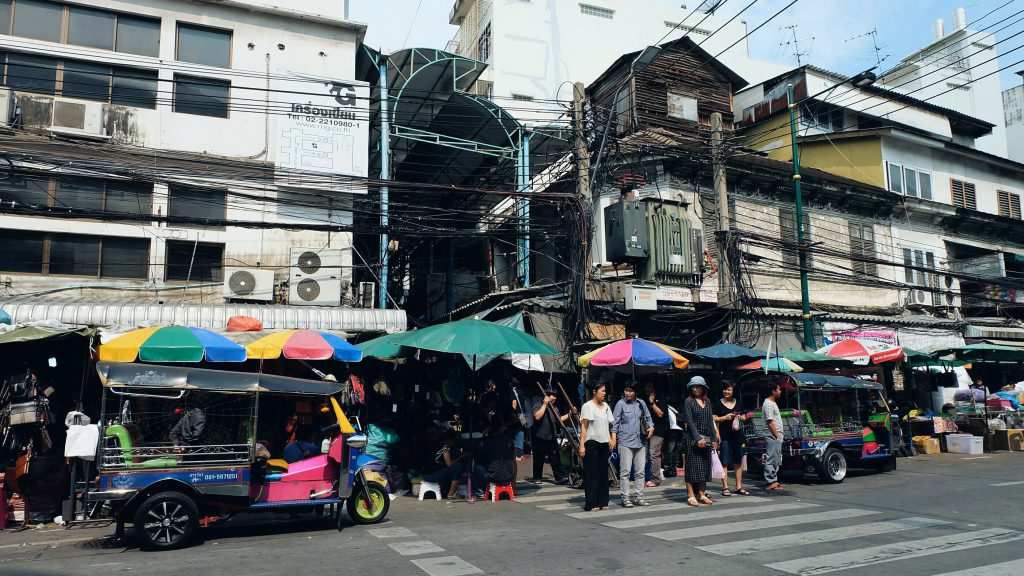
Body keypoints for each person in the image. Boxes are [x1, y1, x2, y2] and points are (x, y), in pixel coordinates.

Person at [613, 381, 654, 507]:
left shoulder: (641, 403)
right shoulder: (620, 404)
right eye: (626, 390)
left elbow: (648, 418)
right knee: (625, 471)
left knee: (640, 471)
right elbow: (614, 423)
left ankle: (639, 497)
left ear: (636, 392)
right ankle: (625, 498)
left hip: (640, 441)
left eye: (630, 391)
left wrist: (651, 428)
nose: (628, 393)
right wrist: (614, 438)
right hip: (625, 442)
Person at [578, 382, 616, 511]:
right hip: (591, 442)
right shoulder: (587, 406)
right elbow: (584, 426)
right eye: (602, 391)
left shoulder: (606, 406)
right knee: (591, 474)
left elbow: (612, 424)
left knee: (603, 473)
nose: (604, 393)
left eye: (605, 391)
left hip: (604, 443)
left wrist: (613, 438)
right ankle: (591, 502)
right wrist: (581, 445)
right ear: (595, 391)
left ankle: (603, 501)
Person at [683, 376, 719, 506]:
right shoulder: (688, 401)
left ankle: (701, 493)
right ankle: (691, 495)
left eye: (697, 386)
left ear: (703, 388)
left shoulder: (707, 401)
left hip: (707, 438)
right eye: (693, 386)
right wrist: (698, 438)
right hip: (692, 438)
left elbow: (710, 420)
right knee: (692, 468)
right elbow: (689, 421)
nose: (695, 388)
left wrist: (714, 439)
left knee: (705, 467)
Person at [712, 383, 749, 496]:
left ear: (734, 391)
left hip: (737, 435)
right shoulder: (718, 403)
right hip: (724, 436)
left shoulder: (738, 402)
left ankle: (738, 487)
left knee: (738, 461)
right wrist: (724, 418)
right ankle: (725, 487)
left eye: (729, 390)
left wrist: (741, 417)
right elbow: (713, 418)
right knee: (725, 461)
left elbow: (744, 416)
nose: (726, 392)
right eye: (725, 389)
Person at [530, 386, 569, 484]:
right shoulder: (538, 405)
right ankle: (537, 477)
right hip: (539, 436)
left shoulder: (555, 408)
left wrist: (570, 414)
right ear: (547, 396)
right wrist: (544, 404)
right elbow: (537, 416)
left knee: (555, 458)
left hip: (551, 436)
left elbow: (558, 419)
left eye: (555, 396)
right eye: (552, 396)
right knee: (539, 458)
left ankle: (559, 477)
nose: (554, 398)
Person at [473, 413, 517, 496]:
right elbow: (513, 460)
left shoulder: (487, 442)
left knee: (476, 467)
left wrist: (484, 433)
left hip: (494, 477)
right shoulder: (510, 441)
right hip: (509, 476)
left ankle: (480, 491)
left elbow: (480, 458)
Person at [431, 429, 468, 500]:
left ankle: (448, 491)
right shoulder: (445, 447)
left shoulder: (438, 444)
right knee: (458, 467)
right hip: (432, 474)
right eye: (453, 440)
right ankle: (451, 493)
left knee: (453, 469)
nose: (454, 443)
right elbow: (449, 464)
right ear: (449, 439)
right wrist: (461, 457)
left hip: (429, 472)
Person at [762, 381, 785, 491]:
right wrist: (777, 435)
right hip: (772, 435)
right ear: (773, 391)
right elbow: (770, 422)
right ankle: (770, 481)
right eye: (779, 389)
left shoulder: (772, 403)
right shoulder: (768, 404)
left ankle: (774, 480)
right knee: (772, 457)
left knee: (776, 458)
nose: (780, 391)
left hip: (776, 435)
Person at [645, 381, 668, 487]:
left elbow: (660, 414)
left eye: (649, 386)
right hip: (646, 430)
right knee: (646, 454)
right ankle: (645, 476)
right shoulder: (643, 399)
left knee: (654, 453)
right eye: (646, 387)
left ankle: (656, 479)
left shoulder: (661, 399)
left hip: (658, 431)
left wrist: (652, 403)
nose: (647, 389)